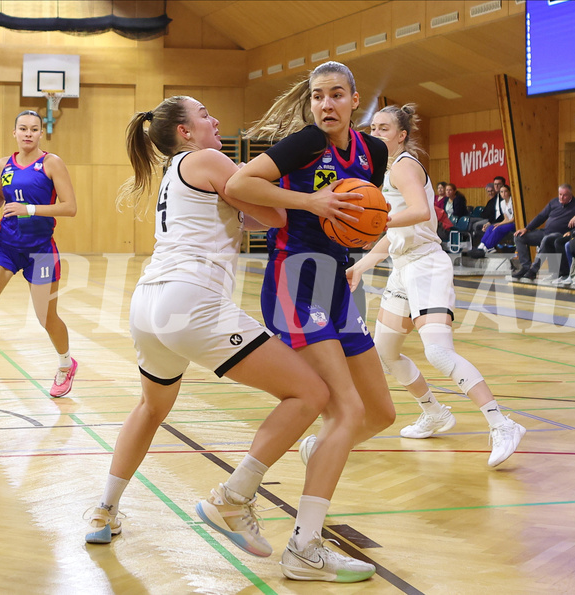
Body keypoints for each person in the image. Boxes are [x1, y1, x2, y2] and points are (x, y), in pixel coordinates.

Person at [84, 97, 335, 573]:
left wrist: (250, 205)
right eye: (203, 115)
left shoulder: (178, 171)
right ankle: (232, 498)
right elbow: (275, 218)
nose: (215, 120)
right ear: (184, 132)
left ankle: (105, 508)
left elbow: (255, 215)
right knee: (309, 392)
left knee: (150, 408)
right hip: (191, 300)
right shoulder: (208, 159)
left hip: (148, 302)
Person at [225, 61, 395, 583]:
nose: (326, 104)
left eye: (337, 95)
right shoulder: (302, 144)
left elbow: (364, 217)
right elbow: (239, 182)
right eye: (319, 95)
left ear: (353, 100)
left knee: (380, 413)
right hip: (294, 281)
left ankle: (311, 453)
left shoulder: (375, 152)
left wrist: (358, 238)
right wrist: (308, 201)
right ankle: (304, 546)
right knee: (344, 409)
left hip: (335, 282)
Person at [348, 103, 526, 468]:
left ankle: (502, 423)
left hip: (427, 267)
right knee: (385, 351)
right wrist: (363, 265)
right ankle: (435, 412)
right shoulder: (382, 172)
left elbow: (420, 212)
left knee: (438, 353)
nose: (375, 134)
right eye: (373, 128)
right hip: (403, 268)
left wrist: (377, 220)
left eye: (384, 128)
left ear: (401, 135)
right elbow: (397, 231)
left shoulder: (404, 165)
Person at [0, 110, 78, 399]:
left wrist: (30, 209)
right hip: (6, 247)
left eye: (34, 129)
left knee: (46, 318)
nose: (28, 133)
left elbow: (70, 207)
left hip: (41, 250)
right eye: (22, 128)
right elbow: (0, 194)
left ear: (40, 133)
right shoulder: (4, 164)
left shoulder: (51, 164)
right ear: (14, 132)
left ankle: (66, 364)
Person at [512, 184, 575, 281]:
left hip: (559, 234)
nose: (561, 197)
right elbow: (541, 216)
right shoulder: (554, 202)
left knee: (547, 240)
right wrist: (527, 228)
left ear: (571, 195)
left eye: (565, 195)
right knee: (519, 237)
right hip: (545, 232)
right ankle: (525, 267)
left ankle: (533, 270)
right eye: (560, 194)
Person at [469, 184, 515, 258]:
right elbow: (506, 218)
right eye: (501, 192)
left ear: (509, 192)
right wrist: (499, 223)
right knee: (491, 227)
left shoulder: (513, 201)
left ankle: (488, 247)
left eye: (505, 191)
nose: (503, 194)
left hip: (514, 224)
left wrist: (499, 225)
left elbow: (514, 218)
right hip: (507, 223)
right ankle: (481, 246)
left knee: (498, 228)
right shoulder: (502, 203)